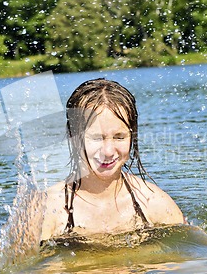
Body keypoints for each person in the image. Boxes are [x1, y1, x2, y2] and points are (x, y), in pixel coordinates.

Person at [40, 78, 186, 243]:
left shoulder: (153, 203)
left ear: (132, 136)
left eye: (119, 137)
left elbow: (193, 257)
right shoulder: (49, 208)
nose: (108, 151)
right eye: (96, 138)